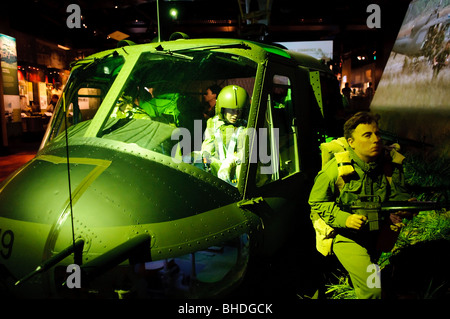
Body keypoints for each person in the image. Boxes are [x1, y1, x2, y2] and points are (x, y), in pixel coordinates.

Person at [308, 112, 412, 299]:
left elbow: (399, 193)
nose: (376, 140)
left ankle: (357, 278)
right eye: (367, 135)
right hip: (346, 235)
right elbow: (317, 202)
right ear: (351, 142)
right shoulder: (335, 170)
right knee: (373, 288)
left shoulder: (389, 165)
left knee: (370, 267)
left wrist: (403, 207)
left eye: (377, 134)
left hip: (375, 229)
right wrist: (345, 219)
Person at [201, 85, 249, 186]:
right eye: (231, 110)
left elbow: (243, 153)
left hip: (236, 168)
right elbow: (208, 145)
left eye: (238, 111)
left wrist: (229, 163)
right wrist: (205, 158)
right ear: (222, 109)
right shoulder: (213, 123)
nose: (235, 115)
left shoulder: (245, 128)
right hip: (218, 166)